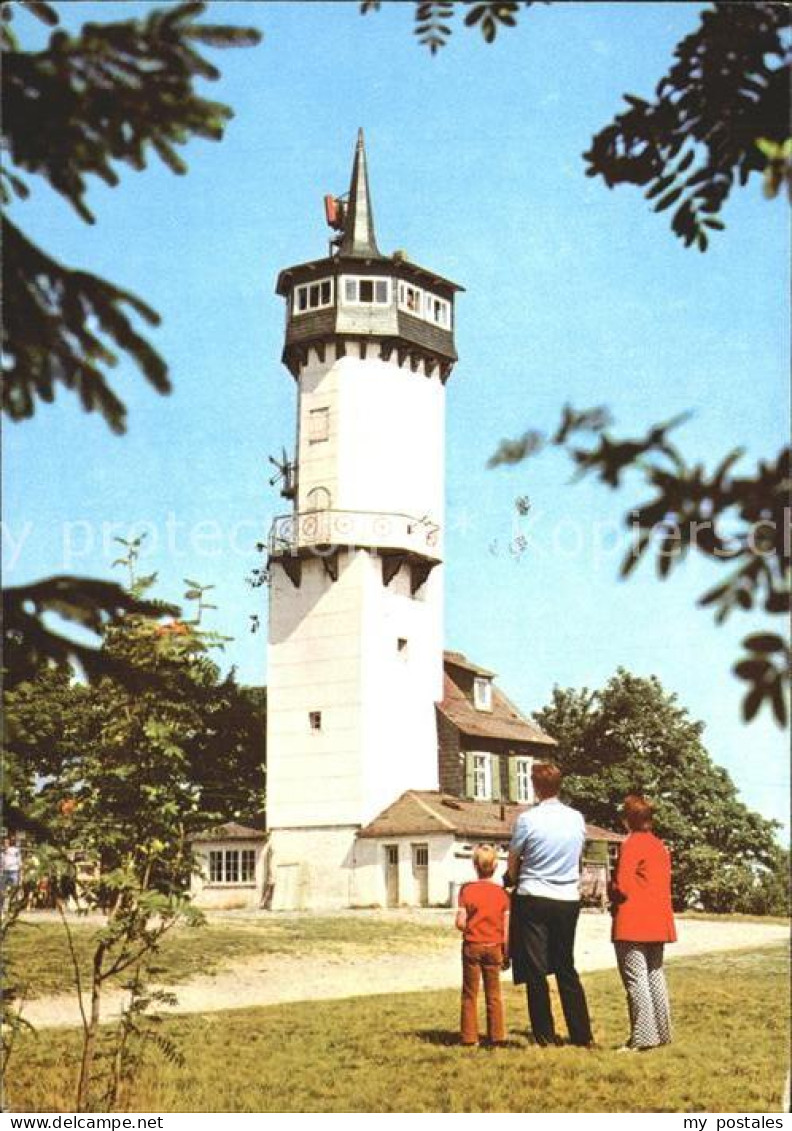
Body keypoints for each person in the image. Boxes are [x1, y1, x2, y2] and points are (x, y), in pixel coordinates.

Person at [506, 762, 593, 1047]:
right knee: (566, 966)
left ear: (535, 787)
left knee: (536, 969)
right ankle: (581, 1034)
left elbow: (514, 858)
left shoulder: (527, 820)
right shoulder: (576, 819)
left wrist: (511, 879)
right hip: (567, 897)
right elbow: (578, 856)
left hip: (534, 895)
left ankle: (545, 1034)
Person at [610, 794, 676, 1052]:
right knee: (655, 976)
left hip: (632, 921)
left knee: (636, 980)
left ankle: (643, 1037)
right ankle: (662, 1033)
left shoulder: (631, 844)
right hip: (657, 921)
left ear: (628, 819)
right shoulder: (659, 846)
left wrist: (611, 890)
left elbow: (623, 886)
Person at [455, 843, 511, 1047]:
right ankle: (497, 1036)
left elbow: (460, 922)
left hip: (472, 946)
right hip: (494, 946)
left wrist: (470, 926)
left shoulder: (466, 890)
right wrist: (507, 953)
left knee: (470, 993)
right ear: (495, 866)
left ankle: (469, 1037)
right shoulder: (503, 894)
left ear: (475, 865)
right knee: (494, 994)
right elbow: (506, 929)